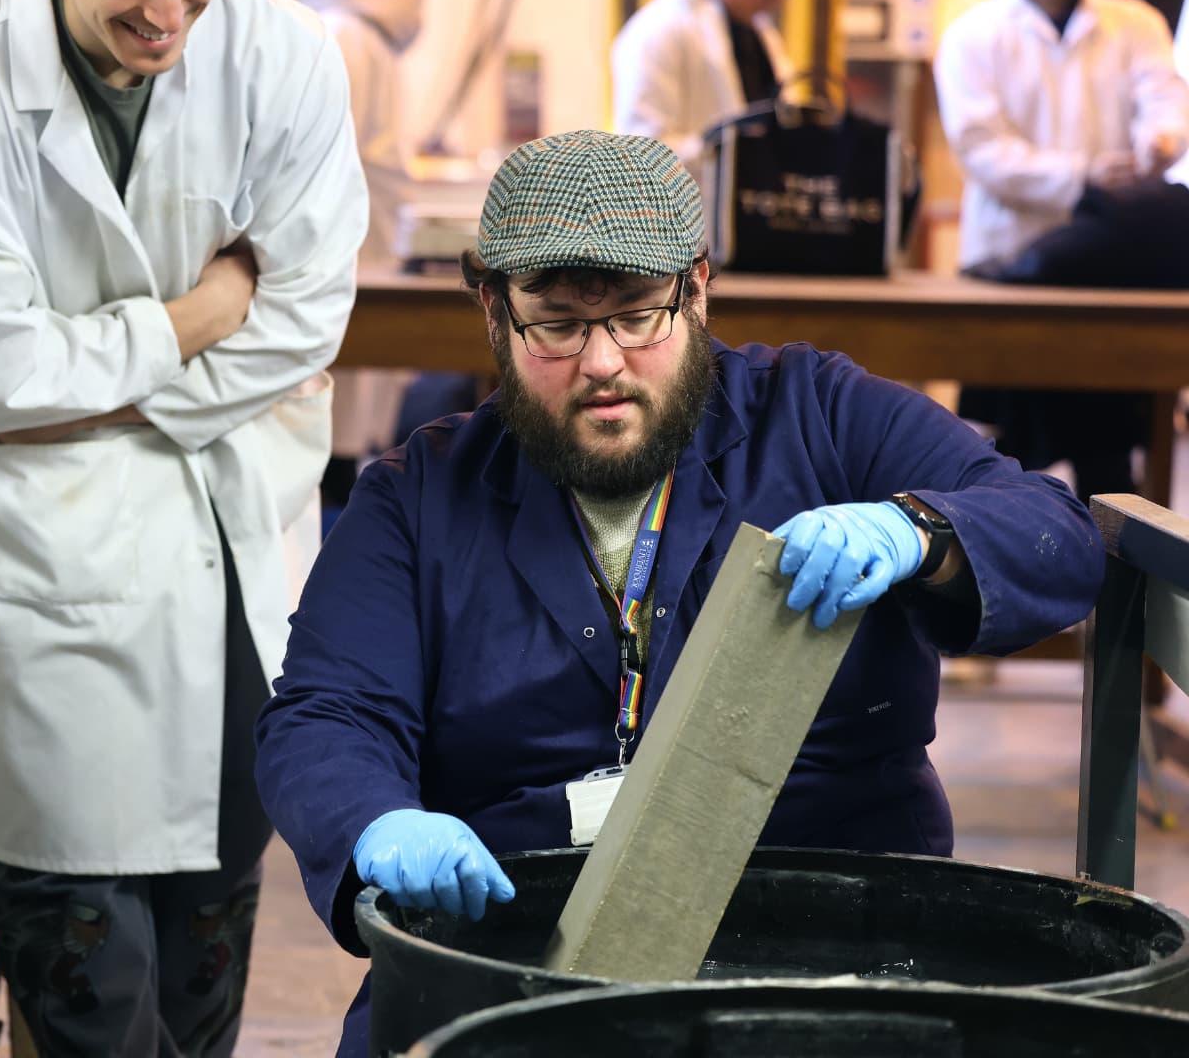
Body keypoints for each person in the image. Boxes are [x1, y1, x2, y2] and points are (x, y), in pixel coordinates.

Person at [253, 130, 1104, 1058]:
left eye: (637, 315)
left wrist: (921, 531)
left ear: (698, 289)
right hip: (524, 925)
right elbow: (326, 712)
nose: (603, 361)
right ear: (492, 306)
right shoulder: (420, 496)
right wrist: (376, 820)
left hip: (824, 927)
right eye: (558, 323)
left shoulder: (819, 415)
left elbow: (1051, 530)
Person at [0, 0, 367, 1053]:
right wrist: (197, 310)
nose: (168, 13)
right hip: (36, 562)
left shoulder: (281, 55)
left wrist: (87, 391)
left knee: (207, 944)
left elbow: (303, 316)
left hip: (232, 549)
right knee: (81, 974)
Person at [936, 0, 1189, 504]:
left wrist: (1160, 143)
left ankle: (1123, 597)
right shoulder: (975, 35)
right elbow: (983, 150)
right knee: (999, 463)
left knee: (1111, 465)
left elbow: (1166, 101)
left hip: (1107, 280)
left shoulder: (1135, 23)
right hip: (1010, 272)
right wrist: (1082, 178)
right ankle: (1000, 592)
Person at [261, 0, 424, 499]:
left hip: (335, 268)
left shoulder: (339, 32)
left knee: (326, 455)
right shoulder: (349, 27)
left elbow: (311, 163)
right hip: (350, 261)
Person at [611, 0, 816, 192]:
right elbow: (638, 158)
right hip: (685, 233)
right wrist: (728, 147)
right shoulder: (659, 30)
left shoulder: (763, 38)